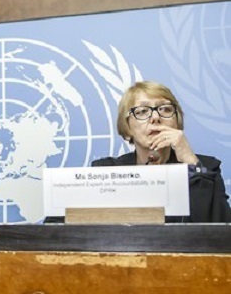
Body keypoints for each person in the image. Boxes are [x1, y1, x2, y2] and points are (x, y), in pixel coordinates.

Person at [92, 81, 231, 222]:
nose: (156, 117)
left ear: (177, 122)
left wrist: (191, 162)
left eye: (165, 109)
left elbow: (221, 229)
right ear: (127, 129)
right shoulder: (106, 171)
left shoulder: (206, 168)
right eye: (142, 111)